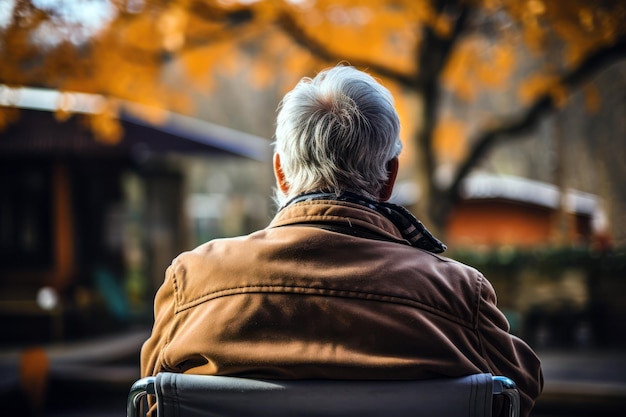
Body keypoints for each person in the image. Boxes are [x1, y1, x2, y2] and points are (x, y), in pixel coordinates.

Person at [141, 65, 543, 416]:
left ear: (281, 171)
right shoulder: (458, 294)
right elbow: (517, 393)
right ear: (389, 177)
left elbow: (153, 404)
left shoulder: (192, 281)